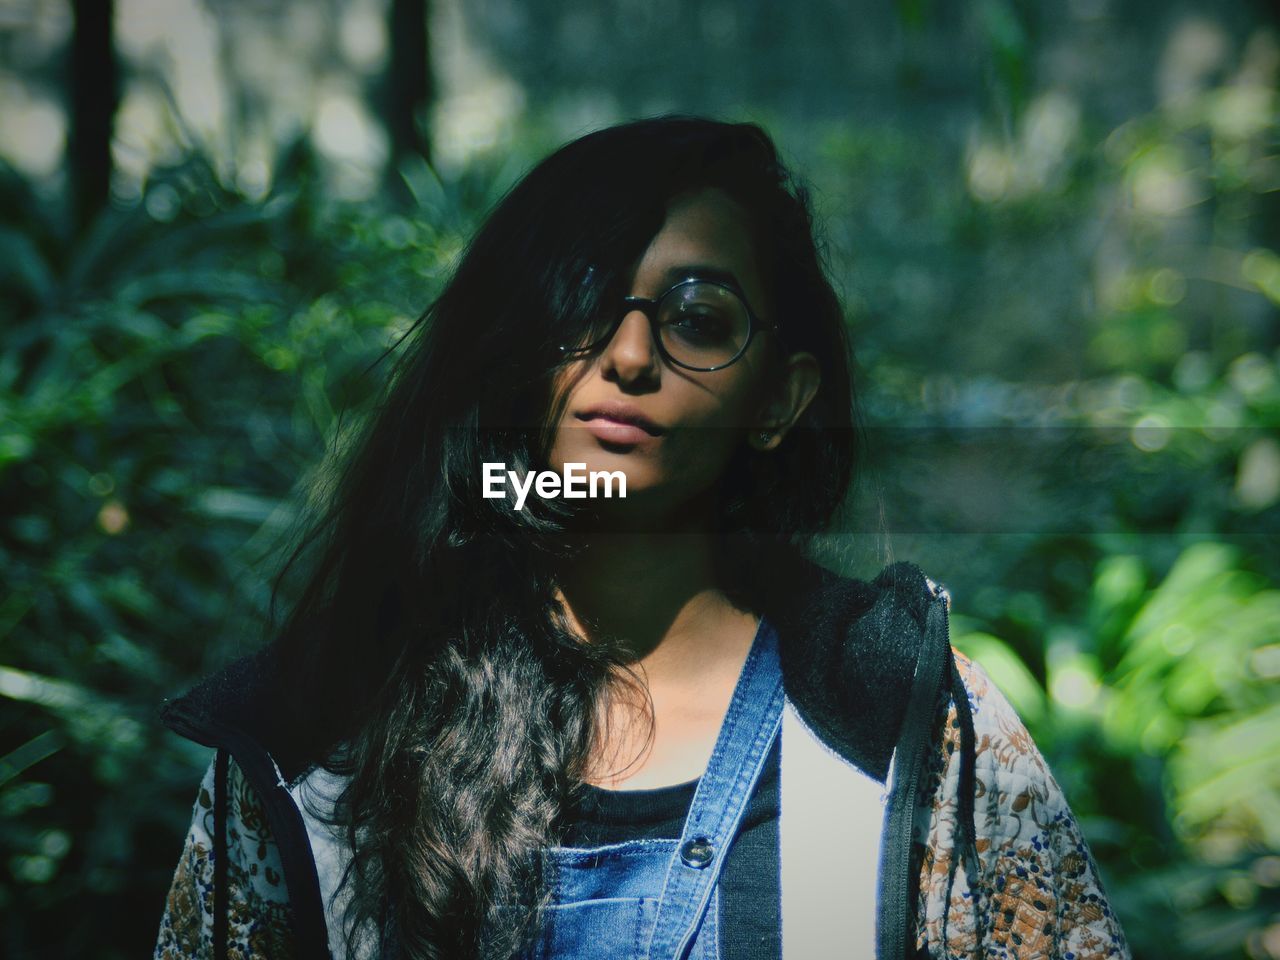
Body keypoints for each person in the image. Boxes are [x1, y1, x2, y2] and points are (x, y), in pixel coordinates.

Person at [152, 115, 1130, 960]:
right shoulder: (320, 738)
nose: (626, 356)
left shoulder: (912, 724)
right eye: (579, 299)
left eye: (697, 320)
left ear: (779, 401)